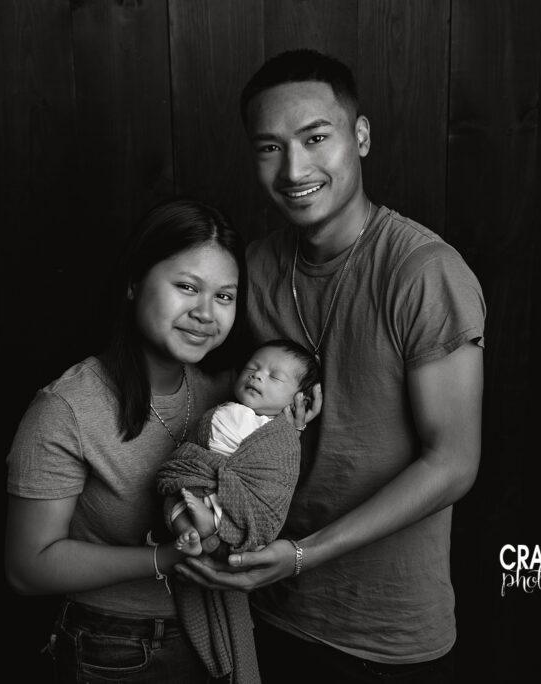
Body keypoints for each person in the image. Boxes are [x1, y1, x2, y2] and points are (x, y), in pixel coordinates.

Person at [175, 49, 486, 683]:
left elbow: (453, 463)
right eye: (269, 147)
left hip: (385, 633)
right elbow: (208, 392)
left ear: (361, 136)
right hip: (263, 607)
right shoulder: (256, 266)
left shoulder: (422, 272)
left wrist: (302, 555)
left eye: (316, 137)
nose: (294, 169)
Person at [4, 198, 247, 683]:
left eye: (224, 296)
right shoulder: (67, 407)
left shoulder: (225, 391)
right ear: (135, 283)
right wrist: (166, 557)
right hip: (116, 647)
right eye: (186, 287)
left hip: (220, 638)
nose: (206, 313)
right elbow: (27, 567)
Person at [158, 339, 321, 559]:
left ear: (299, 399)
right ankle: (188, 532)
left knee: (232, 510)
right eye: (252, 368)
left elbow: (276, 481)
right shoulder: (224, 409)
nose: (257, 375)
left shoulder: (280, 435)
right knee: (174, 496)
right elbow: (193, 447)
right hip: (201, 477)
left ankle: (212, 523)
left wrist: (293, 432)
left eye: (274, 376)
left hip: (239, 493)